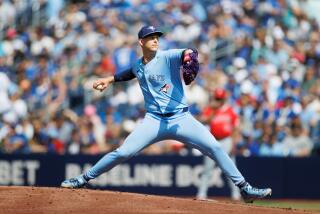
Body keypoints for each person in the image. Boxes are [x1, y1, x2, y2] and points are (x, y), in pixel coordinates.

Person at [61, 25, 272, 203]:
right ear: (140, 42)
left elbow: (188, 52)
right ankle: (82, 179)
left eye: (156, 37)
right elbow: (130, 72)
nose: (154, 40)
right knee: (123, 152)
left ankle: (244, 188)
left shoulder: (168, 56)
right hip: (153, 121)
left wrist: (190, 57)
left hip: (181, 118)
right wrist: (110, 79)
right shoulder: (138, 65)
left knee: (215, 147)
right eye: (149, 37)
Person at [197, 88, 241, 200]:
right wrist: (213, 110)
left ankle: (235, 194)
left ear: (224, 98)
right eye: (217, 98)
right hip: (213, 141)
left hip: (227, 140)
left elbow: (236, 128)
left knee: (230, 168)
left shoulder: (230, 110)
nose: (219, 100)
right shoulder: (210, 109)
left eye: (220, 98)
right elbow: (204, 121)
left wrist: (234, 143)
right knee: (207, 168)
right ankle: (202, 193)